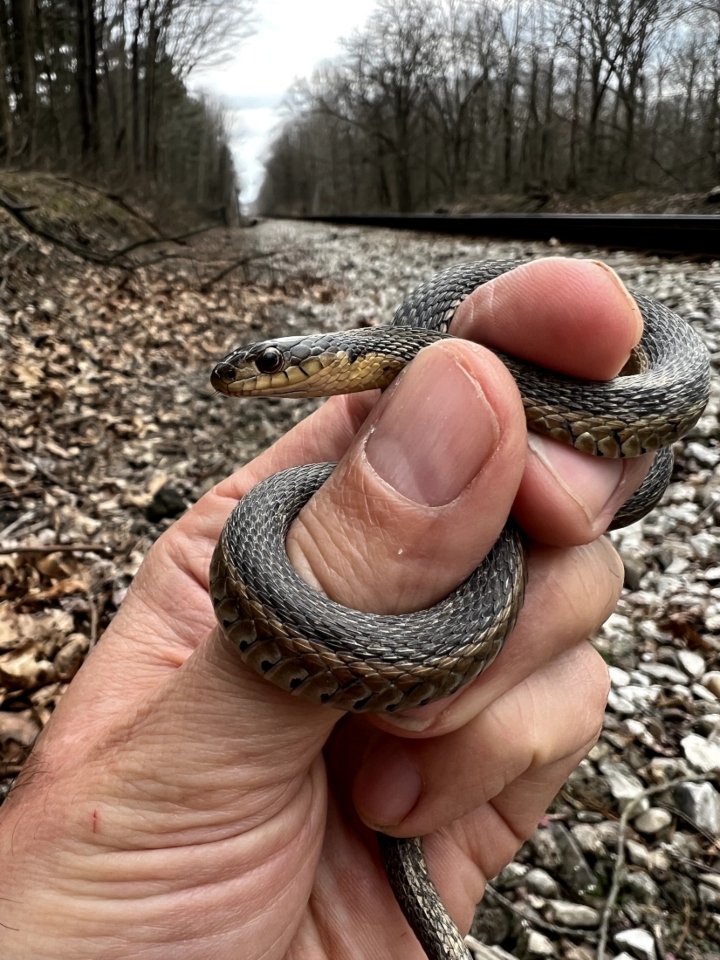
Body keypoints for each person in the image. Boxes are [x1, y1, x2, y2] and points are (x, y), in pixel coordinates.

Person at [0, 258, 651, 959]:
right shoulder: (362, 421)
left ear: (342, 356)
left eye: (271, 364)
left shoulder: (413, 356)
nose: (253, 376)